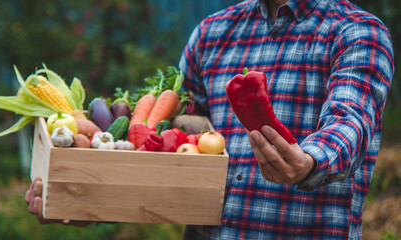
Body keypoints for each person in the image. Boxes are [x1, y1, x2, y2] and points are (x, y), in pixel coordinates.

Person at [26, 0, 394, 239]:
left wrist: (307, 162)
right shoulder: (212, 34)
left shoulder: (356, 32)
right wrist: (87, 200)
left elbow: (350, 124)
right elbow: (169, 156)